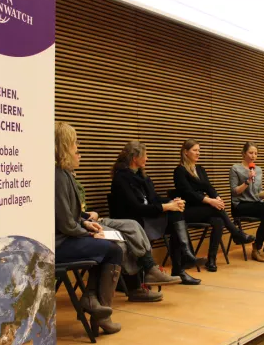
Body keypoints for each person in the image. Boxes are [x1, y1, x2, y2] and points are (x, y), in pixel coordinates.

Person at [55, 121, 122, 336]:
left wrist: (84, 223)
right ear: (64, 145)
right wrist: (90, 232)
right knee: (113, 250)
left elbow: (69, 216)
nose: (78, 147)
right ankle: (99, 312)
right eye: (75, 142)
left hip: (65, 238)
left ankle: (92, 301)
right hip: (57, 245)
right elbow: (65, 224)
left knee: (106, 247)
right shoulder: (57, 176)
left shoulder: (63, 174)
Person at [72, 172, 182, 304]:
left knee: (132, 225)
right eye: (76, 152)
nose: (79, 155)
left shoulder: (71, 181)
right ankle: (134, 288)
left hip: (92, 219)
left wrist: (91, 212)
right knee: (122, 239)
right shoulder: (60, 180)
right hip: (81, 225)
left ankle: (150, 269)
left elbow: (77, 209)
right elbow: (66, 216)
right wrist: (83, 219)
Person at [111, 141, 206, 286]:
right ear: (134, 158)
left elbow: (153, 199)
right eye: (145, 155)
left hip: (146, 216)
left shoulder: (143, 176)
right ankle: (183, 262)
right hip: (134, 221)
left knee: (176, 213)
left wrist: (173, 201)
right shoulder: (121, 179)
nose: (147, 158)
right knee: (174, 214)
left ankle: (181, 265)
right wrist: (167, 206)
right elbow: (136, 208)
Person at [174, 139, 255, 272]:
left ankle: (211, 260)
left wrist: (217, 198)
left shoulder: (200, 169)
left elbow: (209, 187)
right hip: (187, 210)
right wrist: (210, 201)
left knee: (218, 221)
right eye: (195, 150)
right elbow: (188, 193)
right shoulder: (179, 171)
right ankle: (236, 233)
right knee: (216, 209)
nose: (198, 153)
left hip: (204, 210)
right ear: (185, 152)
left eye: (199, 150)